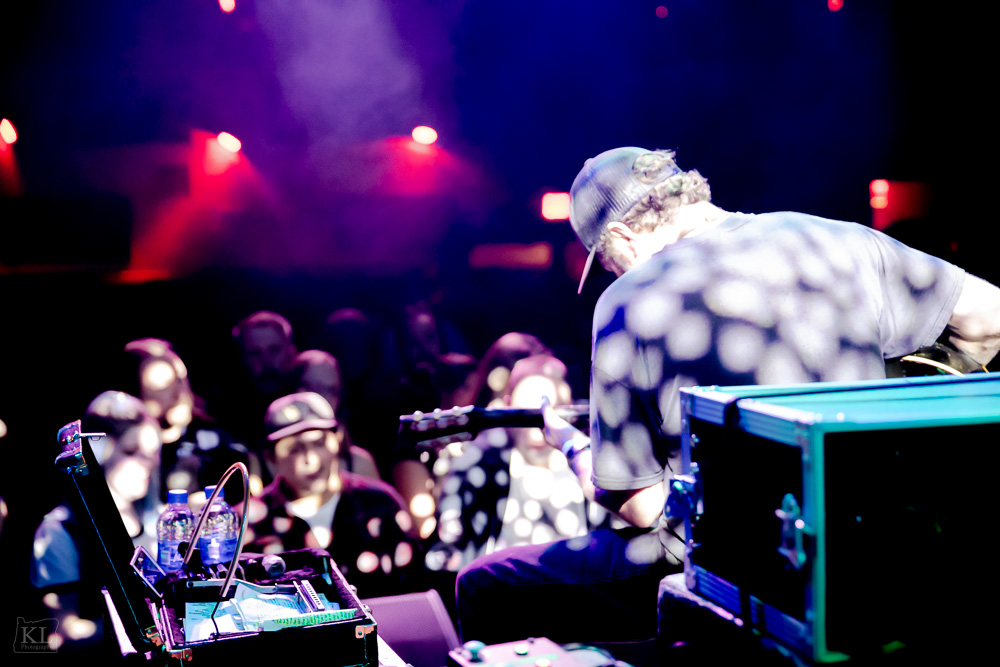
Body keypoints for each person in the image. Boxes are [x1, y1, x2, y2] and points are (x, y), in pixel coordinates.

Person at [455, 146, 1000, 646]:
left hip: (732, 560)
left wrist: (572, 447)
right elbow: (988, 323)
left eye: (605, 262)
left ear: (621, 236)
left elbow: (642, 507)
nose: (611, 275)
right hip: (872, 541)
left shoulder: (626, 301)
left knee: (484, 585)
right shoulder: (837, 239)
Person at [426, 354, 613, 575]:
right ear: (508, 407)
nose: (538, 429)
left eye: (554, 413)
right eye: (528, 415)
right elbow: (448, 552)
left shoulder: (592, 467)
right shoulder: (481, 464)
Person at [240, 391, 423, 598]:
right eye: (295, 449)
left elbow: (415, 588)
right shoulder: (252, 522)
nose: (311, 459)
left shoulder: (380, 503)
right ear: (271, 457)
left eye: (319, 443)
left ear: (338, 439)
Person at [30, 391, 165, 653]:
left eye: (152, 453)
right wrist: (149, 629)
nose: (147, 464)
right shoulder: (59, 532)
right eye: (131, 451)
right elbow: (63, 634)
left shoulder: (157, 518)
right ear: (98, 453)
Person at [291, 348, 381, 481]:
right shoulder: (267, 459)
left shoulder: (359, 463)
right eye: (313, 387)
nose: (323, 398)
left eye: (331, 390)